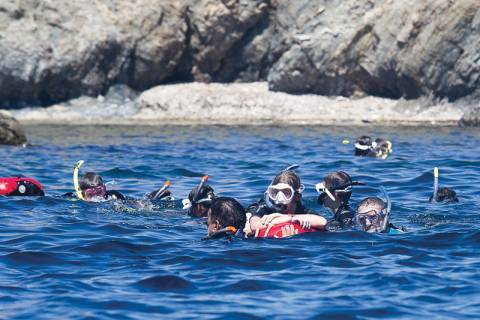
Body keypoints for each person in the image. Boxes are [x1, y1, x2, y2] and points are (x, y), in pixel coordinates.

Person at [245, 165, 327, 237]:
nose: (279, 198)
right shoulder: (265, 208)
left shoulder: (301, 210)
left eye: (286, 193)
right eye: (275, 192)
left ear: (297, 197)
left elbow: (322, 222)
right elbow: (255, 226)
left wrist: (288, 217)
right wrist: (287, 219)